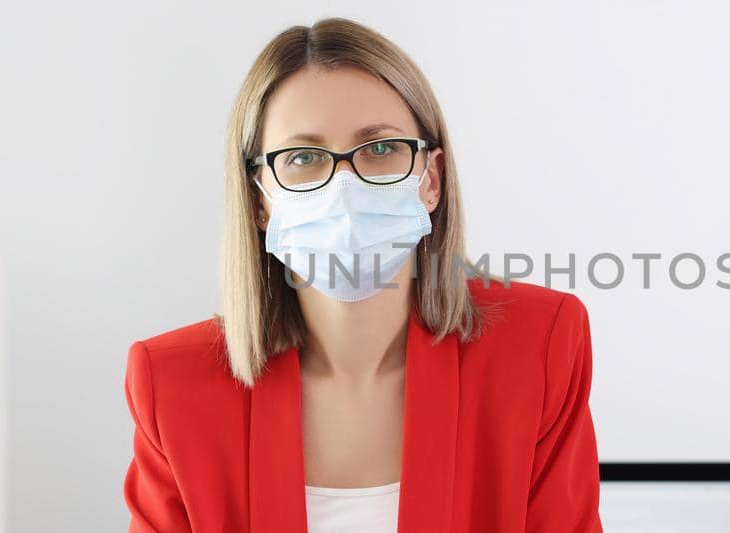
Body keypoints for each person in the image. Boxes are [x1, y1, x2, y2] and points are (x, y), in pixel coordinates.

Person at [121, 17, 602, 533]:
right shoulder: (172, 385)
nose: (344, 188)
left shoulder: (537, 347)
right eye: (303, 156)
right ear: (260, 199)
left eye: (379, 149)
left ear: (431, 180)